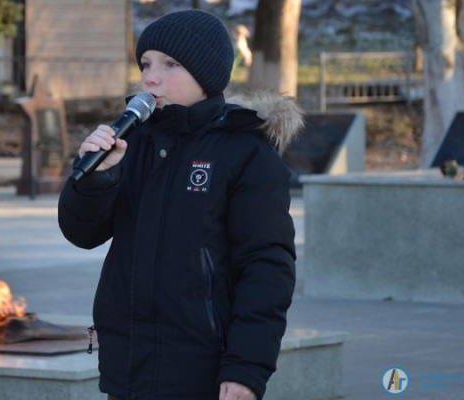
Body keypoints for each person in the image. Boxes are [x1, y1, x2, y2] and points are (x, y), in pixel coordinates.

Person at [57, 9, 303, 400]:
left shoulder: (244, 152)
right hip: (128, 367)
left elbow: (267, 268)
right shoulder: (132, 143)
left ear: (205, 75)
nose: (151, 77)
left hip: (203, 370)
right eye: (146, 63)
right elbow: (81, 234)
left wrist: (246, 368)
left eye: (170, 64)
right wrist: (97, 177)